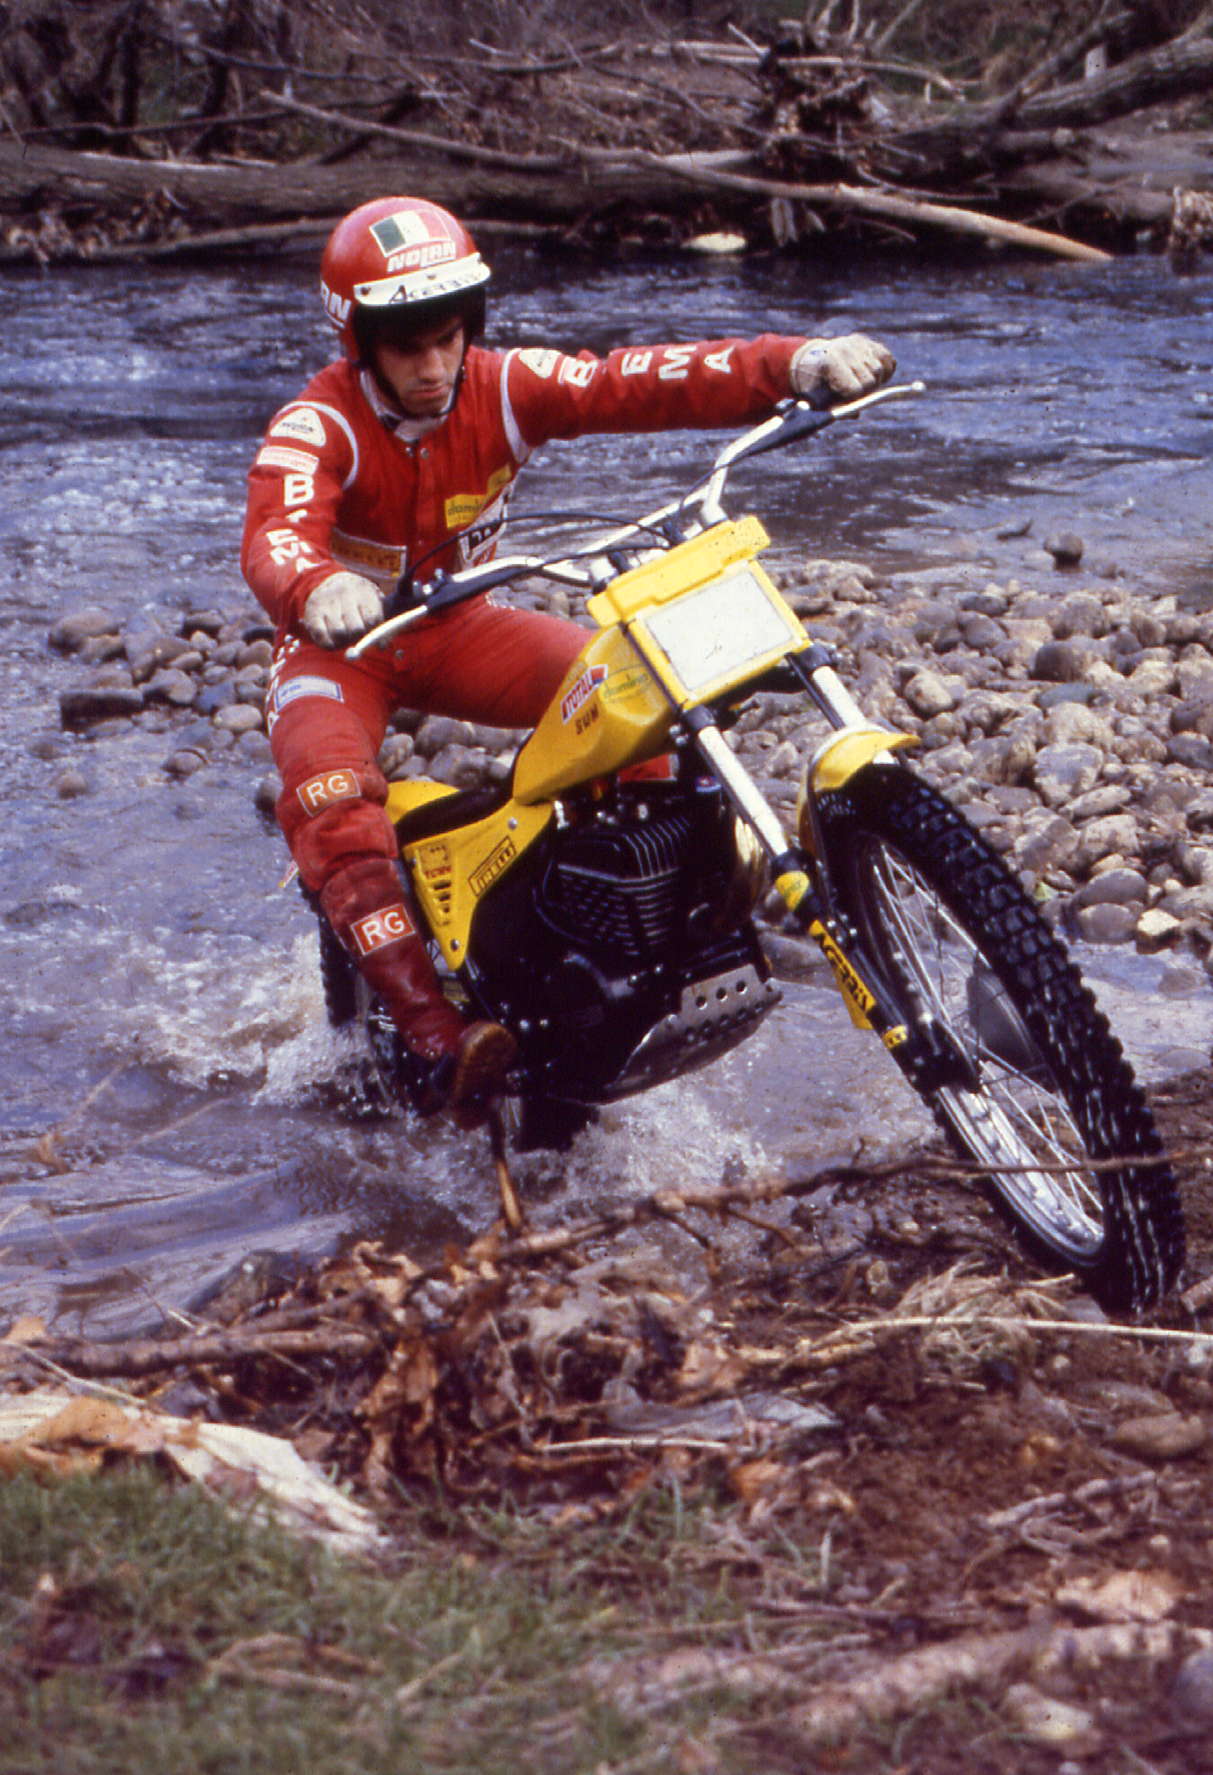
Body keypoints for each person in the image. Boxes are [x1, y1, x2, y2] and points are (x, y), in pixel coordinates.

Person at [241, 195, 895, 1124]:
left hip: (458, 626)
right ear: (359, 343)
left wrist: (791, 362)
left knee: (636, 695)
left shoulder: (504, 385)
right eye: (407, 348)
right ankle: (435, 1036)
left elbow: (638, 379)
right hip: (341, 646)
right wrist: (315, 584)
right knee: (329, 799)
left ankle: (634, 934)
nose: (434, 368)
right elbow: (273, 529)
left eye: (448, 339)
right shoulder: (318, 423)